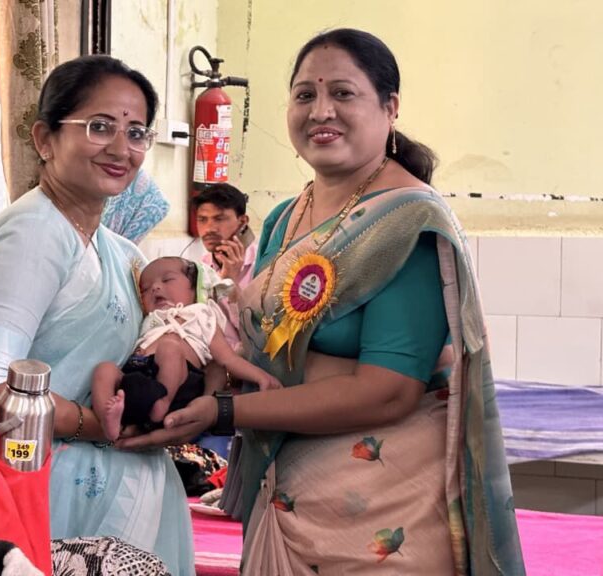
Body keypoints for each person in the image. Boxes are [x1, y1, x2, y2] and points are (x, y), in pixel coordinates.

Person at [120, 29, 524, 575]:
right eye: (305, 94)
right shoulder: (287, 216)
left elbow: (388, 392)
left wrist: (224, 411)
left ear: (390, 107)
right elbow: (264, 347)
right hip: (285, 494)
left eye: (343, 93)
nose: (320, 111)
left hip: (383, 511)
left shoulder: (408, 223)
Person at [0, 55, 194, 574]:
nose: (121, 148)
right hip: (55, 493)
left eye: (136, 132)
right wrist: (98, 425)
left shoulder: (121, 252)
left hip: (128, 485)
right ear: (45, 139)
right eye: (100, 126)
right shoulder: (32, 233)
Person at [92, 256, 278, 441]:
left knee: (169, 347)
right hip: (137, 378)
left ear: (195, 287)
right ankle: (109, 422)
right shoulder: (148, 320)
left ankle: (162, 401)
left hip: (181, 384)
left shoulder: (202, 315)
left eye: (167, 280)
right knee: (104, 369)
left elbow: (228, 359)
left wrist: (260, 376)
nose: (155, 287)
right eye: (145, 289)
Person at [194, 183, 257, 291]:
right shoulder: (200, 268)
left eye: (219, 219)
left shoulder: (264, 264)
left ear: (242, 221)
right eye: (202, 220)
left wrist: (230, 281)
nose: (209, 229)